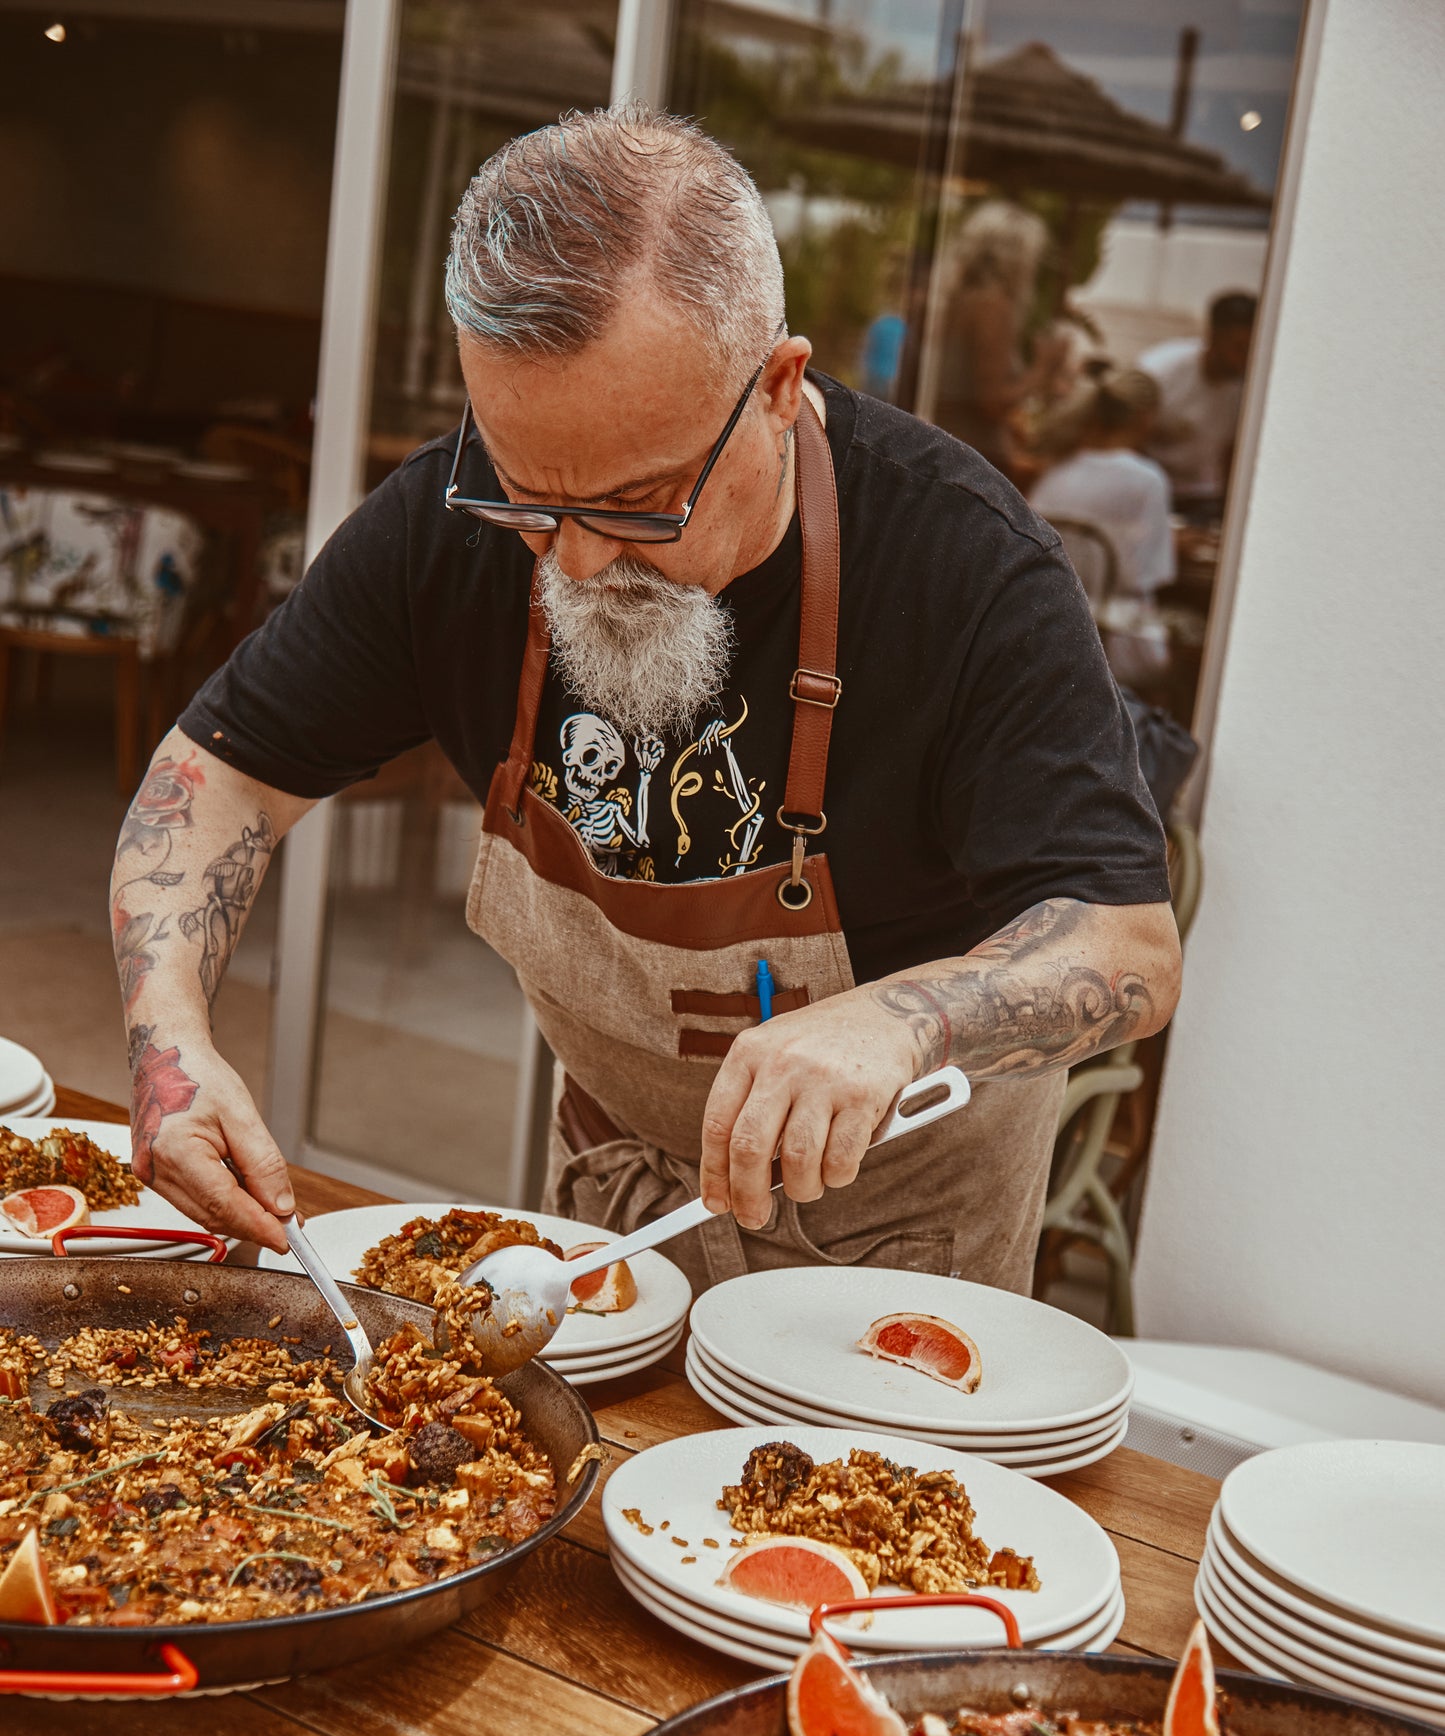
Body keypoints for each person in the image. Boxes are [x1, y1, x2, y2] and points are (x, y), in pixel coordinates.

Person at [110, 105, 1180, 1298]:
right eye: (530, 499)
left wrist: (902, 1022)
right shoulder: (449, 519)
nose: (570, 561)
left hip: (900, 1237)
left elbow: (1123, 945)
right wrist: (170, 1044)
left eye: (636, 506)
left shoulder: (964, 568)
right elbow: (217, 777)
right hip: (613, 1204)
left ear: (777, 387)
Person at [1030, 368, 1175, 687]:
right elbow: (1150, 574)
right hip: (1113, 641)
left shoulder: (1058, 470)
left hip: (1050, 627)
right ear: (1145, 418)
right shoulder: (1148, 480)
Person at [932, 199, 1071, 477]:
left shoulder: (958, 299)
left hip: (948, 443)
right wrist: (1042, 370)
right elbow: (991, 402)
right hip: (976, 456)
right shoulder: (993, 306)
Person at [1139, 291, 1257, 508]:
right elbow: (1126, 440)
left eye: (1252, 350)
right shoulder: (1161, 369)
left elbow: (1232, 456)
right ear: (1213, 336)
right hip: (1149, 491)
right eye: (1239, 348)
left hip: (1203, 497)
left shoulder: (1250, 388)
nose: (1245, 359)